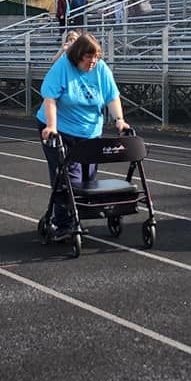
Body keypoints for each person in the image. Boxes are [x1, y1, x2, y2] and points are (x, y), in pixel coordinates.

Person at [37, 32, 130, 238]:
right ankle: (64, 223)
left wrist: (119, 120)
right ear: (78, 56)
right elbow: (50, 99)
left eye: (96, 57)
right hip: (59, 127)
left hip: (89, 130)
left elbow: (111, 96)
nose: (93, 61)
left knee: (88, 177)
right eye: (89, 57)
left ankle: (73, 213)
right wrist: (51, 125)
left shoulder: (101, 70)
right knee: (68, 176)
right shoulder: (62, 67)